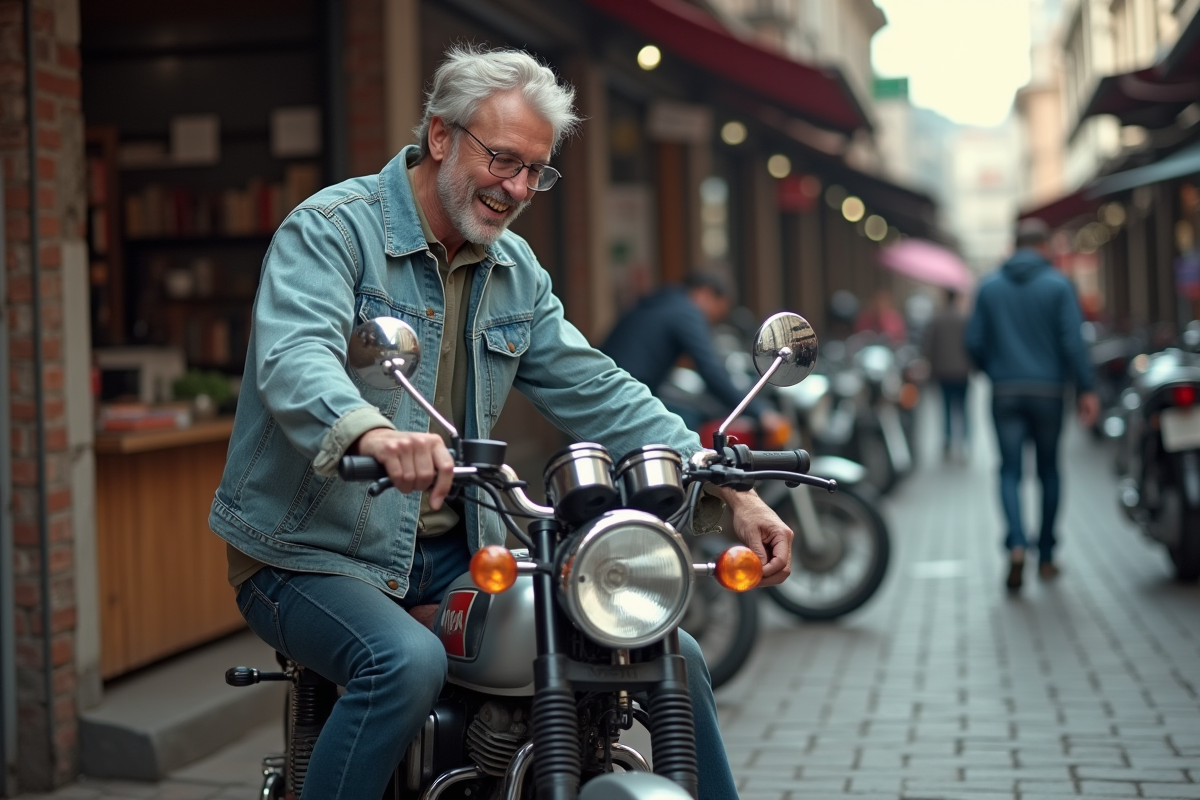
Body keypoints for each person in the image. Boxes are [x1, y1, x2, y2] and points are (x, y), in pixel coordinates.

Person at [208, 45, 792, 800]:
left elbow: (598, 387)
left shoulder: (515, 269)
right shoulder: (330, 231)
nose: (516, 188)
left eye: (535, 172)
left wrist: (729, 487)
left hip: (460, 551)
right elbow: (294, 359)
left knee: (666, 650)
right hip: (307, 552)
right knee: (403, 664)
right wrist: (372, 433)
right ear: (442, 135)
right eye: (504, 160)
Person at [966, 218, 1098, 591]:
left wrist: (994, 371)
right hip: (1050, 392)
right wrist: (1086, 388)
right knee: (1049, 472)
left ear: (1014, 245)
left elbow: (974, 340)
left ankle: (1017, 545)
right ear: (1044, 246)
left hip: (1006, 390)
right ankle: (1047, 555)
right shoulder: (1059, 285)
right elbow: (1073, 341)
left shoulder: (989, 287)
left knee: (1009, 471)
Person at [600, 272, 788, 435]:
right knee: (687, 421)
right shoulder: (686, 311)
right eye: (717, 314)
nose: (711, 322)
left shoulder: (664, 301)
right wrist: (760, 412)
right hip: (625, 401)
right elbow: (711, 370)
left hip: (612, 392)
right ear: (706, 294)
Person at [922, 288, 972, 461]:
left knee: (945, 408)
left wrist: (930, 367)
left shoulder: (937, 319)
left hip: (943, 371)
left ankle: (948, 440)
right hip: (962, 371)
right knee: (963, 408)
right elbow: (972, 344)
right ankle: (964, 442)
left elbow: (929, 346)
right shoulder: (964, 318)